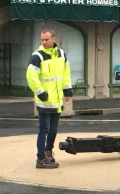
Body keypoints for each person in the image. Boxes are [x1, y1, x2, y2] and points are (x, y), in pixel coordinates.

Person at [26, 28, 73, 169]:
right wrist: (40, 93)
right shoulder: (37, 56)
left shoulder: (61, 54)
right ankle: (40, 159)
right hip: (45, 101)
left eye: (46, 39)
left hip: (57, 101)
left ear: (54, 39)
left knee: (53, 129)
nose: (44, 42)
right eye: (42, 40)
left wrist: (67, 90)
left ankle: (48, 152)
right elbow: (31, 77)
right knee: (43, 129)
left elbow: (65, 74)